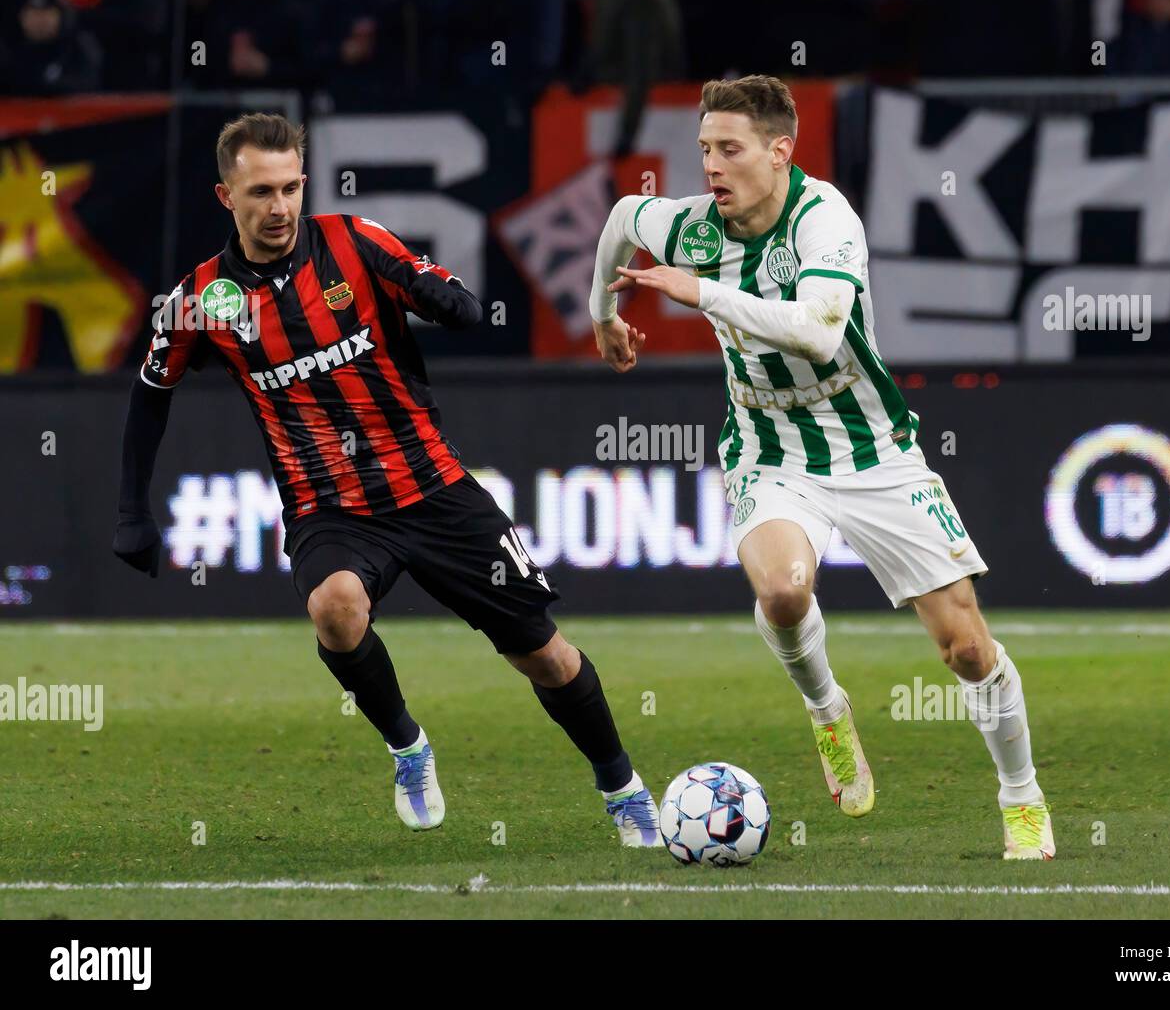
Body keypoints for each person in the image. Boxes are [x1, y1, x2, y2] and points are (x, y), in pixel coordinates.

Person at [113, 112, 660, 846]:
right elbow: (151, 390)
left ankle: (622, 786)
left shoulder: (354, 243)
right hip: (328, 505)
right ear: (225, 196)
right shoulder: (201, 300)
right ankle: (409, 748)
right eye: (261, 192)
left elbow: (451, 296)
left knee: (544, 653)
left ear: (305, 183)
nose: (279, 207)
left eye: (290, 188)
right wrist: (131, 510)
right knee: (335, 609)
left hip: (431, 483)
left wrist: (453, 303)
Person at [589, 75, 1054, 860]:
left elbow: (816, 333)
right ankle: (829, 709)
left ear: (780, 151)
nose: (712, 166)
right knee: (781, 589)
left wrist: (700, 294)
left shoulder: (825, 218)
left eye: (729, 149)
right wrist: (604, 313)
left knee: (966, 648)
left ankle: (1023, 797)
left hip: (872, 447)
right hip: (770, 445)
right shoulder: (694, 227)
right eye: (704, 149)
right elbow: (622, 218)